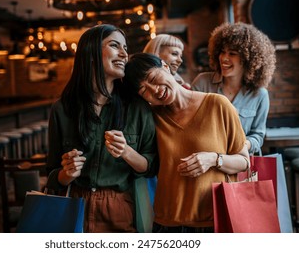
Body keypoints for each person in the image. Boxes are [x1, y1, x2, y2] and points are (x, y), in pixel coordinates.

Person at [46, 24, 158, 233]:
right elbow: (52, 174)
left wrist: (127, 152)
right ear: (90, 53)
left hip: (120, 210)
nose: (124, 54)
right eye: (115, 46)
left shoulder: (138, 108)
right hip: (73, 206)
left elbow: (151, 167)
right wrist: (66, 174)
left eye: (125, 48)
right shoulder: (63, 108)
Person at [123, 53, 250, 233]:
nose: (155, 90)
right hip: (167, 223)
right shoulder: (152, 119)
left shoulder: (217, 105)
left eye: (152, 78)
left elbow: (244, 162)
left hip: (213, 221)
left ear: (165, 67)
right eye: (144, 91)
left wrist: (213, 159)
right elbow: (149, 165)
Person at [191, 22, 276, 155]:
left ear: (248, 59)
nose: (224, 58)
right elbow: (188, 122)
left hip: (241, 165)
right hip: (206, 162)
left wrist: (243, 145)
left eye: (232, 53)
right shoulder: (202, 83)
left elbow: (258, 136)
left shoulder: (259, 94)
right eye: (222, 52)